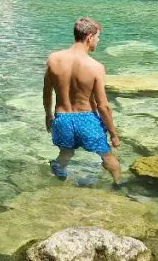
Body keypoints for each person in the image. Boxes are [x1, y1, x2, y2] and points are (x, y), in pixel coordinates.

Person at [43, 17, 123, 188]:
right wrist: (113, 134)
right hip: (87, 120)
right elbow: (103, 106)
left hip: (62, 118)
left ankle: (58, 179)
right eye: (98, 37)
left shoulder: (53, 59)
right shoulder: (95, 67)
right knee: (109, 158)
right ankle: (120, 188)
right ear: (89, 37)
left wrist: (48, 115)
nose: (98, 41)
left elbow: (47, 92)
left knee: (66, 154)